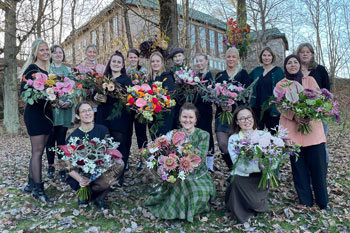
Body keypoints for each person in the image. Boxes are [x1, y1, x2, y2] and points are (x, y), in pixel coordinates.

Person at [145, 103, 216, 222]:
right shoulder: (173, 134)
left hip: (197, 174)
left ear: (196, 119)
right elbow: (164, 152)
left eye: (190, 117)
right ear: (179, 118)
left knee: (196, 192)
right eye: (184, 117)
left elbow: (199, 158)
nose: (187, 120)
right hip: (176, 171)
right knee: (178, 184)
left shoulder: (204, 135)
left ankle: (187, 211)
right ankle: (174, 211)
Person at [275, 55, 329, 210]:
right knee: (299, 169)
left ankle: (323, 201)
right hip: (293, 132)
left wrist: (308, 114)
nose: (293, 65)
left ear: (300, 65)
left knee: (318, 168)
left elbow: (318, 101)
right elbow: (280, 105)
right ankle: (305, 200)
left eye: (295, 62)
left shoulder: (309, 81)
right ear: (285, 67)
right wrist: (295, 115)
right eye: (289, 63)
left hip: (312, 130)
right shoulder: (281, 84)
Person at [65, 101, 124, 208]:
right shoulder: (73, 137)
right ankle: (84, 194)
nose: (87, 113)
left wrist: (100, 170)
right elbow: (67, 164)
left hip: (99, 172)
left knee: (119, 163)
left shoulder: (103, 130)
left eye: (89, 110)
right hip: (82, 175)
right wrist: (81, 180)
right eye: (83, 111)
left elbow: (109, 153)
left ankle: (100, 198)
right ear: (78, 116)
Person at [225, 105, 271, 223]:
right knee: (245, 202)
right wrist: (258, 163)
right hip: (243, 176)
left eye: (249, 117)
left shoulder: (264, 135)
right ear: (237, 122)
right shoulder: (234, 139)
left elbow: (272, 159)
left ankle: (255, 201)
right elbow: (238, 163)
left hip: (260, 176)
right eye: (242, 118)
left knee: (255, 203)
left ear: (253, 118)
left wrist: (265, 164)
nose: (247, 121)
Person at [21, 39, 53, 202]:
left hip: (47, 115)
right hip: (35, 115)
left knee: (38, 151)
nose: (46, 52)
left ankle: (30, 184)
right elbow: (25, 92)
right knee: (37, 152)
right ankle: (38, 190)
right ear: (35, 52)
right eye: (42, 50)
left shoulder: (47, 71)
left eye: (47, 49)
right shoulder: (32, 69)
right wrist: (47, 98)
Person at [95, 51, 132, 186]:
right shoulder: (103, 79)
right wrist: (96, 97)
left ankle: (118, 177)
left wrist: (108, 98)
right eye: (113, 61)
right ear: (109, 64)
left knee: (119, 146)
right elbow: (96, 92)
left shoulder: (126, 80)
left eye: (118, 62)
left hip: (119, 119)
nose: (116, 64)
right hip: (103, 117)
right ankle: (104, 175)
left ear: (122, 65)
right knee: (104, 146)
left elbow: (127, 100)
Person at [215, 47, 252, 170]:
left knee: (237, 145)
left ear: (238, 59)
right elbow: (214, 95)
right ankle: (233, 169)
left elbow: (246, 97)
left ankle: (240, 171)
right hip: (222, 114)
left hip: (237, 115)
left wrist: (233, 106)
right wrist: (222, 105)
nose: (231, 59)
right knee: (223, 145)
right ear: (225, 59)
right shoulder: (220, 75)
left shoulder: (243, 74)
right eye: (228, 57)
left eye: (233, 57)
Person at [297, 43, 331, 169]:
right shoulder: (296, 70)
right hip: (300, 114)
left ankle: (322, 170)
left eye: (308, 52)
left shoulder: (320, 69)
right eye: (302, 52)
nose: (305, 54)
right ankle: (307, 170)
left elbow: (327, 91)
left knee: (320, 143)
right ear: (298, 54)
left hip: (318, 113)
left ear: (312, 54)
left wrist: (320, 108)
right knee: (304, 144)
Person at [45, 45, 74, 180]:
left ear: (63, 54)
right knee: (50, 139)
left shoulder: (68, 70)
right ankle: (51, 166)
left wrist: (69, 101)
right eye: (55, 52)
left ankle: (62, 167)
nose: (58, 54)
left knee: (62, 140)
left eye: (60, 52)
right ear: (51, 55)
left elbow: (75, 89)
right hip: (50, 110)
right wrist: (54, 101)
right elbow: (43, 89)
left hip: (65, 110)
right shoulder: (46, 69)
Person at [249, 47, 284, 133]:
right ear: (261, 57)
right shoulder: (256, 71)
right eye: (264, 55)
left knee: (273, 136)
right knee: (256, 136)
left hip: (272, 109)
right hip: (257, 108)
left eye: (269, 55)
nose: (266, 57)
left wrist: (278, 108)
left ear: (272, 57)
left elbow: (283, 90)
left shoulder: (278, 71)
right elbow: (246, 82)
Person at [126, 48, 148, 171]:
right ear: (128, 59)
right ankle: (126, 159)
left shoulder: (143, 71)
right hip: (128, 107)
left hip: (141, 107)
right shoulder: (125, 71)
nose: (133, 59)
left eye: (135, 57)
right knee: (127, 134)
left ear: (138, 58)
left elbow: (147, 87)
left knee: (141, 134)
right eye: (131, 57)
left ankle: (143, 159)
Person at [194, 54, 215, 172]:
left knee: (207, 133)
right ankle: (197, 160)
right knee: (196, 133)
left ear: (207, 61)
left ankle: (210, 163)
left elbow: (210, 93)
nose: (199, 63)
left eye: (201, 61)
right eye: (197, 61)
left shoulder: (209, 75)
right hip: (195, 109)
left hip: (205, 108)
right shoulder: (194, 76)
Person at [147, 51, 175, 138]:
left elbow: (170, 97)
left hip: (165, 116)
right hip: (151, 115)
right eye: (153, 61)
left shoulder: (167, 77)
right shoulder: (148, 79)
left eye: (157, 61)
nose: (155, 63)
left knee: (164, 141)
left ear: (162, 63)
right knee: (154, 140)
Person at [168, 47, 186, 129]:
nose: (177, 58)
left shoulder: (188, 71)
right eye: (175, 57)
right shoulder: (170, 73)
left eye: (179, 56)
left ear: (183, 57)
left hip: (186, 103)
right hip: (174, 104)